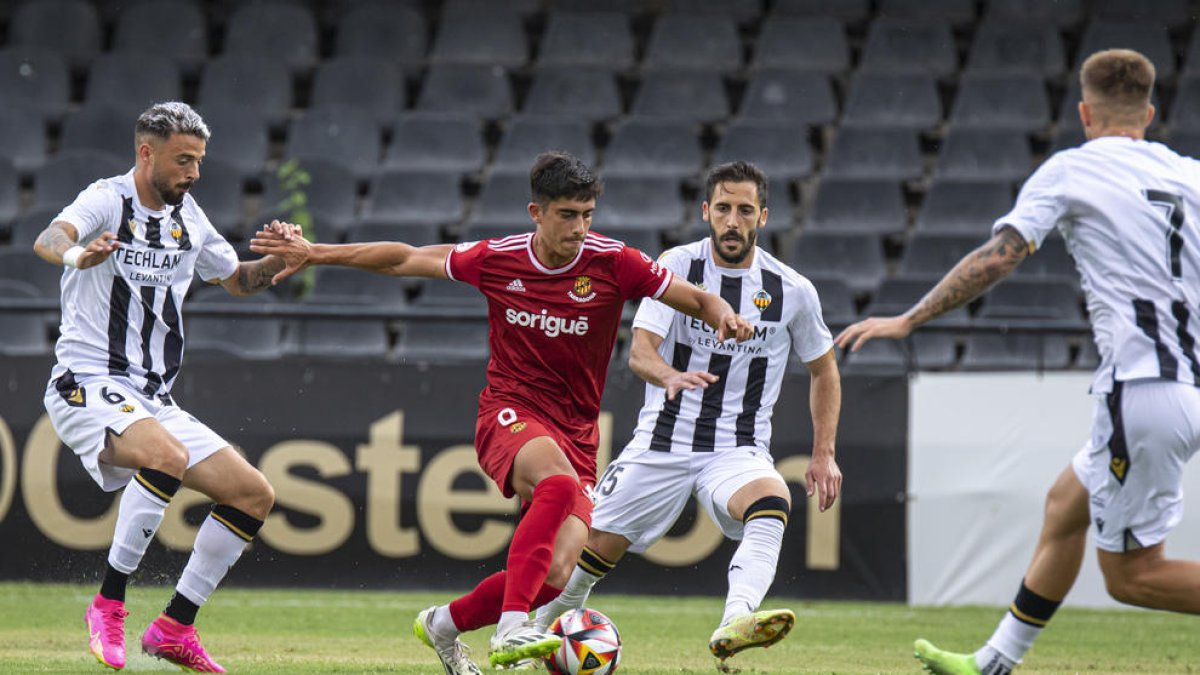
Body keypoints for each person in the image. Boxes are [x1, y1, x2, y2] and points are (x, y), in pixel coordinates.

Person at [249, 152, 754, 673]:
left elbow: (692, 298)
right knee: (555, 487)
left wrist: (722, 312)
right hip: (510, 411)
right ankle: (512, 631)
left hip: (577, 433)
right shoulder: (499, 257)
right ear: (536, 213)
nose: (579, 228)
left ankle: (442, 624)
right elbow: (405, 258)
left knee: (556, 576)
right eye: (567, 215)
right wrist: (316, 253)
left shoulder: (615, 261)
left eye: (587, 214)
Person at [835, 49, 1200, 675]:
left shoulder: (1070, 171)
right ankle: (995, 661)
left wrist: (909, 319)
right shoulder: (1191, 175)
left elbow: (1000, 256)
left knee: (1133, 576)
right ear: (1151, 112)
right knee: (1066, 503)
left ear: (1085, 112)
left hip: (1140, 389)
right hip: (1184, 387)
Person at [531, 161, 843, 666]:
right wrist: (669, 376)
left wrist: (823, 453)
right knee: (581, 559)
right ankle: (529, 637)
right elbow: (640, 351)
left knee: (772, 499)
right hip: (661, 442)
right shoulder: (677, 266)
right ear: (706, 212)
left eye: (745, 210)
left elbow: (824, 370)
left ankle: (737, 618)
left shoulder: (792, 291)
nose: (733, 221)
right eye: (723, 208)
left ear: (763, 217)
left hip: (736, 448)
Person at [34, 102, 282, 673]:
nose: (193, 172)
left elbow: (238, 279)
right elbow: (50, 237)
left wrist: (280, 263)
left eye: (198, 161)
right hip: (86, 381)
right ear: (146, 153)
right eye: (183, 160)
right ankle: (108, 604)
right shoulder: (107, 199)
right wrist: (77, 253)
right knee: (165, 458)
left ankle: (174, 627)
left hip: (153, 397)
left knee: (252, 494)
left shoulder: (190, 218)